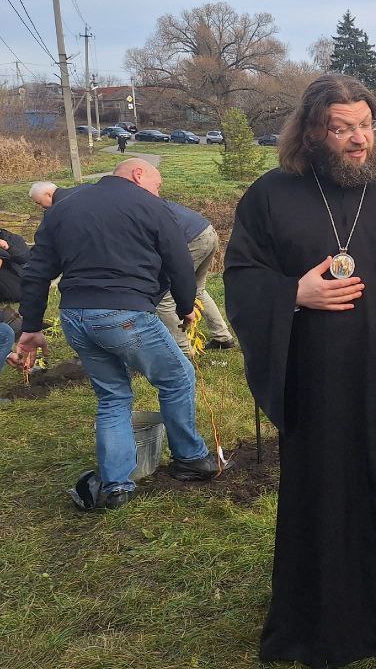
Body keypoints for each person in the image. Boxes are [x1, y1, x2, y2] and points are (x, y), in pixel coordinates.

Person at [223, 74, 376, 669]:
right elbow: (241, 277)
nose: (360, 139)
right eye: (343, 129)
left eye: (366, 126)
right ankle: (324, 625)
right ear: (312, 131)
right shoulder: (271, 195)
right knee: (326, 491)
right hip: (318, 373)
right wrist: (292, 293)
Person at [14, 158, 222, 511]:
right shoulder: (152, 206)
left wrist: (31, 326)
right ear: (139, 174)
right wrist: (187, 305)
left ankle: (116, 486)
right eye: (157, 184)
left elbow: (36, 272)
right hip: (124, 316)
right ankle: (189, 458)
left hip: (75, 316)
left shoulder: (63, 209)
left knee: (112, 396)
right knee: (177, 377)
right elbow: (179, 262)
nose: (158, 191)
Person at [155, 201, 238, 355]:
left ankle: (183, 350)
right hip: (207, 231)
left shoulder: (134, 209)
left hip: (192, 239)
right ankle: (222, 337)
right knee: (198, 290)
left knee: (165, 296)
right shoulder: (147, 201)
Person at [0, 226, 30, 369]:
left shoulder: (7, 237)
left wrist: (7, 354)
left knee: (6, 330)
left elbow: (24, 254)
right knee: (5, 333)